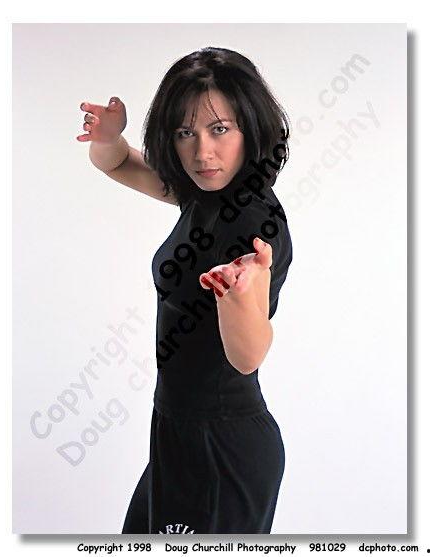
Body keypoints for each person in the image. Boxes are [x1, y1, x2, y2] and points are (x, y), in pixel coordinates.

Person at [77, 46, 293, 535]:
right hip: (176, 434)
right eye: (184, 133)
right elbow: (118, 164)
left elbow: (248, 356)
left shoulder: (255, 226)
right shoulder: (210, 194)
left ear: (251, 127)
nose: (202, 153)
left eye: (220, 129)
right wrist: (108, 138)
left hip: (222, 449)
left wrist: (239, 296)